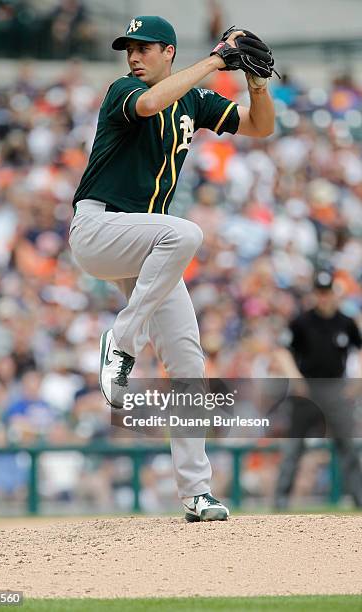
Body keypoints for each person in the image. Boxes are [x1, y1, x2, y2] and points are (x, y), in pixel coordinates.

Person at [69, 16, 275, 522]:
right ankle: (122, 340)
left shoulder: (194, 100)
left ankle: (195, 493)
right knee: (185, 232)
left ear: (168, 51)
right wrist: (214, 60)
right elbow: (150, 103)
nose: (134, 57)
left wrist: (254, 80)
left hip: (144, 246)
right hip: (99, 230)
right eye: (129, 49)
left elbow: (260, 126)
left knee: (187, 363)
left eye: (144, 48)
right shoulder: (123, 90)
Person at [274, 271, 362, 508]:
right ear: (315, 295)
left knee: (348, 446)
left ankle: (358, 498)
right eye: (319, 293)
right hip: (308, 390)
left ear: (333, 293)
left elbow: (359, 348)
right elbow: (282, 350)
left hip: (336, 389)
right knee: (294, 447)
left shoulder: (345, 322)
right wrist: (295, 377)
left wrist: (357, 380)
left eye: (327, 293)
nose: (323, 298)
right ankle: (280, 501)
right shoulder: (302, 322)